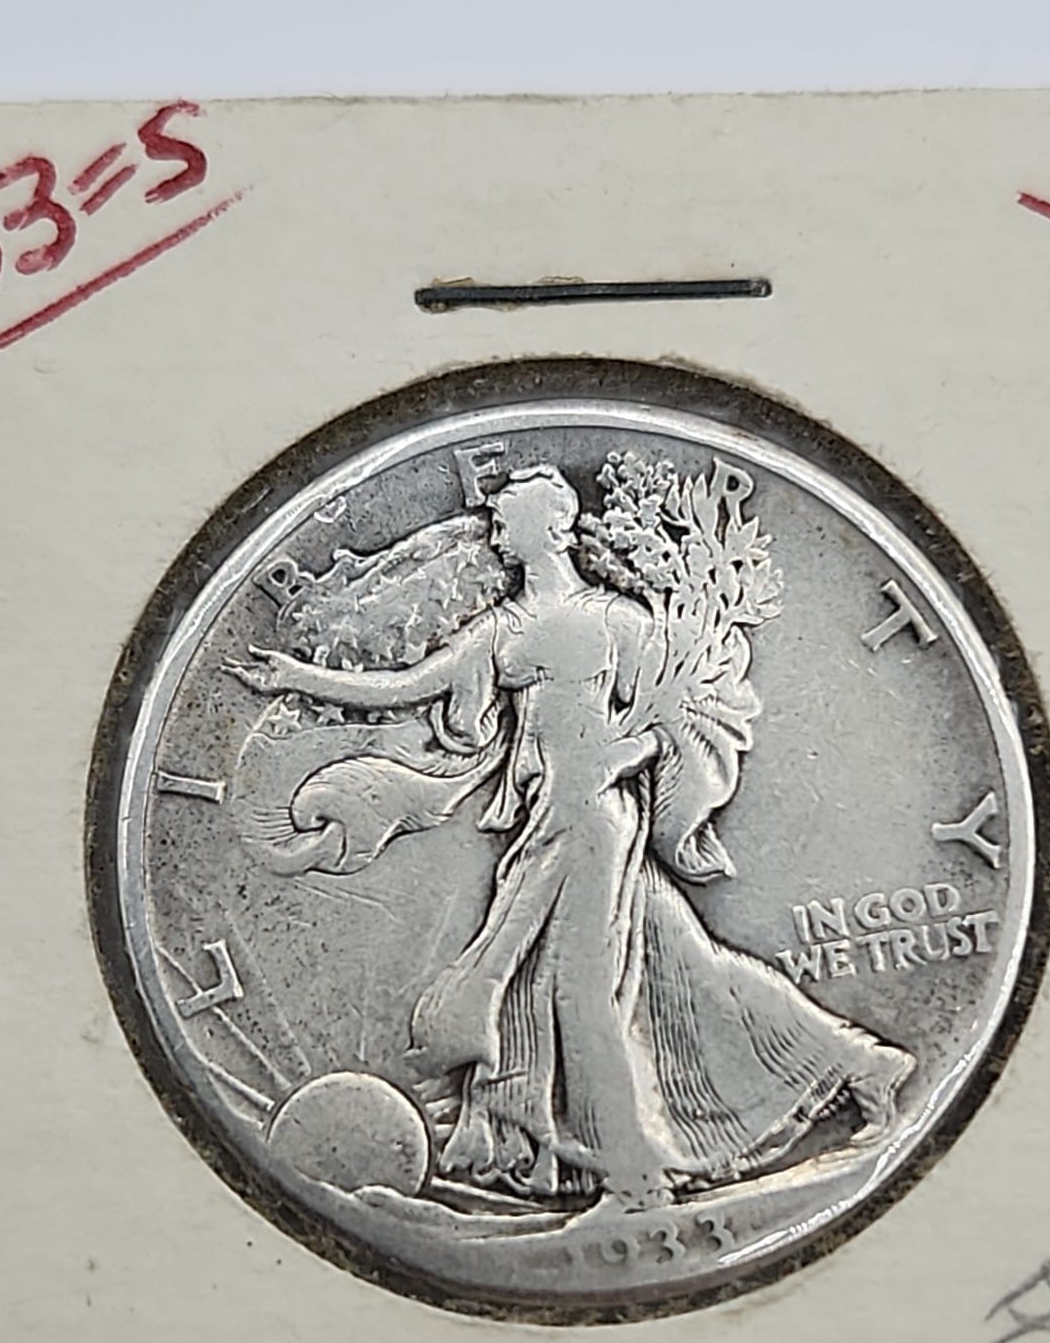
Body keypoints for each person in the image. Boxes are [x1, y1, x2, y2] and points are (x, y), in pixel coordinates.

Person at [228, 465, 912, 1209]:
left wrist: (628, 752)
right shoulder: (501, 630)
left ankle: (633, 1178)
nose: (495, 531)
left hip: (597, 821)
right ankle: (862, 1064)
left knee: (581, 992)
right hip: (546, 819)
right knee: (686, 967)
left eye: (507, 518)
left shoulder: (615, 620)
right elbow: (404, 688)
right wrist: (297, 677)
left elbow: (682, 711)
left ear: (551, 526)